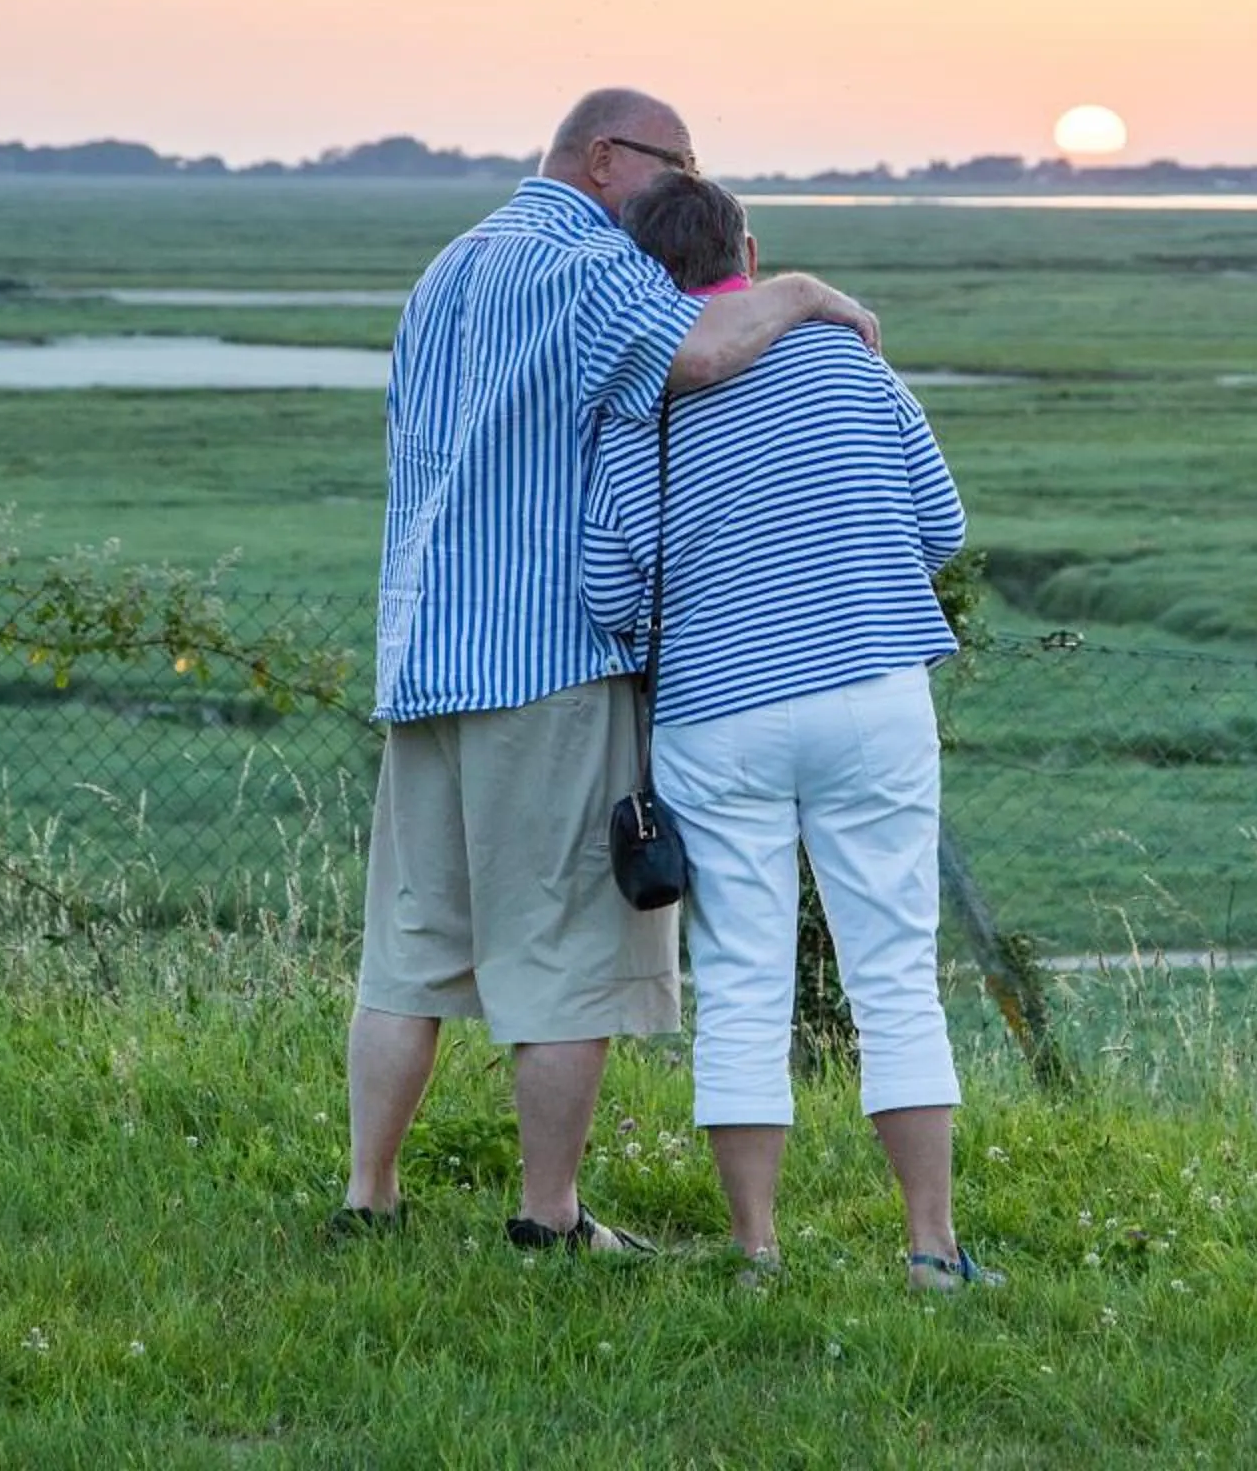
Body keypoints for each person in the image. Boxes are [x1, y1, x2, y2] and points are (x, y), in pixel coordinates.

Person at [339, 87, 880, 1255]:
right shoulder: (590, 264)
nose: (688, 182)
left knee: (411, 949)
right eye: (676, 160)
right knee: (568, 956)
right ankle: (549, 1215)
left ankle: (369, 1194)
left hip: (426, 651)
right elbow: (706, 348)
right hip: (548, 661)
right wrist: (802, 291)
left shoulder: (450, 265)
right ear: (602, 156)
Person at [583, 170, 995, 1290]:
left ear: (640, 277)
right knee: (895, 971)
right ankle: (932, 1248)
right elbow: (942, 527)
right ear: (749, 253)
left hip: (715, 718)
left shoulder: (637, 399)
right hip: (872, 693)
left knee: (740, 983)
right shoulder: (852, 361)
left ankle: (758, 1251)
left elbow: (610, 593)